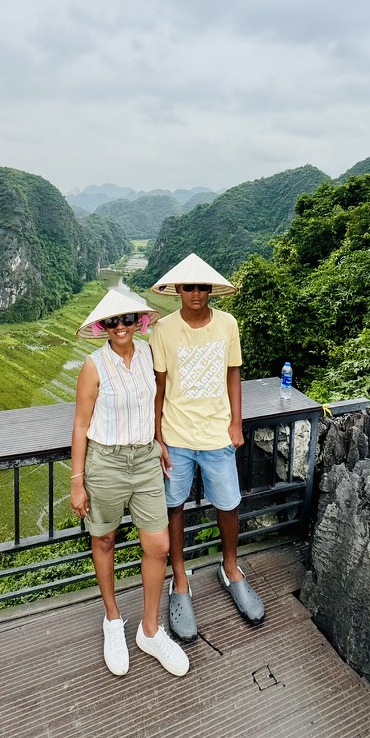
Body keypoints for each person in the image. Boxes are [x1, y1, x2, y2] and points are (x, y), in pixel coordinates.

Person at [70, 288, 190, 678]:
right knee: (104, 539)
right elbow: (81, 425)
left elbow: (154, 404)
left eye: (127, 319)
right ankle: (112, 620)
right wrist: (77, 481)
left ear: (138, 322)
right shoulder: (94, 366)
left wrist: (160, 441)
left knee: (158, 544)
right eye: (112, 321)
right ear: (103, 327)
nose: (120, 327)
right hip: (105, 463)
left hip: (144, 460)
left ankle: (150, 630)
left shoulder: (149, 356)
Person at [149, 252, 266, 640]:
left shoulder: (228, 324)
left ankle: (231, 568)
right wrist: (158, 437)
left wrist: (236, 422)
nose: (196, 294)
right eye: (188, 287)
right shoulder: (163, 330)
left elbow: (234, 374)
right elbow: (159, 389)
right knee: (174, 507)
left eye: (203, 286)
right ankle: (180, 579)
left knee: (229, 504)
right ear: (177, 290)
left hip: (217, 435)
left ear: (212, 289)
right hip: (177, 435)